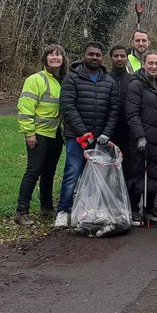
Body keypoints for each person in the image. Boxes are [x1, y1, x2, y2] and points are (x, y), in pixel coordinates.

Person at [56, 43, 120, 228]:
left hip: (100, 139)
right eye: (91, 54)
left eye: (98, 55)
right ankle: (64, 210)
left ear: (102, 58)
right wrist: (82, 132)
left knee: (96, 176)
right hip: (76, 138)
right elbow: (67, 106)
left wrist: (106, 133)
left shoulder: (108, 81)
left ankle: (89, 210)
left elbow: (113, 110)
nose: (94, 57)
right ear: (84, 56)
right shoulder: (72, 78)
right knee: (72, 172)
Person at [15, 45, 67, 225]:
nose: (55, 57)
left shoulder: (61, 80)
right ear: (45, 58)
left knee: (49, 172)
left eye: (59, 55)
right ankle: (22, 211)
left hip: (55, 134)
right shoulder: (35, 79)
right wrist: (29, 132)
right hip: (38, 134)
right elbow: (25, 107)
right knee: (33, 171)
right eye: (51, 55)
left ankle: (46, 208)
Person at [126, 51, 157, 225]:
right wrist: (140, 135)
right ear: (143, 65)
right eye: (150, 63)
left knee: (155, 174)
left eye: (156, 64)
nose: (153, 67)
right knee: (137, 174)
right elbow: (132, 113)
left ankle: (150, 208)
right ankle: (134, 210)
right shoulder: (136, 84)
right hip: (142, 138)